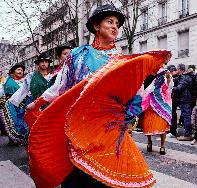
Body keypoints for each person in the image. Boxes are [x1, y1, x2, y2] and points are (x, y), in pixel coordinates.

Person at [28, 4, 171, 188]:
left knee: (102, 180)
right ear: (96, 26)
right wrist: (38, 103)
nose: (115, 27)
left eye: (117, 24)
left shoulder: (121, 61)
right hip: (78, 125)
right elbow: (60, 87)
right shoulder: (78, 55)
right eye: (109, 22)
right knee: (76, 176)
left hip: (108, 129)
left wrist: (127, 116)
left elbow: (136, 93)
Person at [142, 68, 173, 155]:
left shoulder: (166, 72)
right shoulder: (149, 72)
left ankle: (162, 146)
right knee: (148, 124)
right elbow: (145, 87)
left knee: (162, 124)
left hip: (162, 103)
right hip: (150, 103)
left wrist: (168, 79)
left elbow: (170, 87)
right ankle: (149, 142)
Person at [0, 64, 25, 143]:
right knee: (13, 121)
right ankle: (14, 138)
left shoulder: (25, 81)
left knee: (23, 122)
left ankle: (24, 138)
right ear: (13, 72)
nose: (20, 71)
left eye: (21, 70)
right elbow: (2, 93)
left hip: (23, 106)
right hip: (12, 106)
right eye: (18, 70)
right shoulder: (7, 82)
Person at [174, 64, 194, 141]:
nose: (176, 71)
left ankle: (187, 135)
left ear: (180, 70)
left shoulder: (184, 77)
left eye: (177, 69)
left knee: (186, 117)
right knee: (186, 116)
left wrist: (169, 88)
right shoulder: (186, 76)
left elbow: (179, 88)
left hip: (185, 99)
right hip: (186, 98)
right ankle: (188, 133)